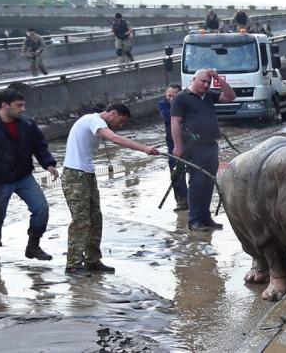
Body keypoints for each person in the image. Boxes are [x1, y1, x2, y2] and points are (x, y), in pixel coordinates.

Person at [62, 103, 159, 276]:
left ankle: (92, 260)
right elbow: (114, 138)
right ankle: (73, 265)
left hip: (87, 175)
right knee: (81, 220)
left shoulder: (95, 122)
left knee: (95, 218)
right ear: (112, 113)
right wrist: (144, 148)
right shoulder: (93, 120)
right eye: (120, 121)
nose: (119, 126)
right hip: (74, 176)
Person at [0, 89, 59, 267]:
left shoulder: (27, 124)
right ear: (4, 105)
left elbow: (39, 146)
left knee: (41, 209)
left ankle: (33, 246)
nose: (23, 109)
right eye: (19, 105)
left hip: (24, 176)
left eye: (23, 105)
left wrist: (48, 163)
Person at [171, 69, 236, 231]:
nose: (206, 85)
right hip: (193, 147)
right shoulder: (181, 98)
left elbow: (230, 96)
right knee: (197, 182)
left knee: (209, 182)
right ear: (193, 79)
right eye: (203, 81)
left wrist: (217, 78)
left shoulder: (209, 96)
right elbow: (175, 123)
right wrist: (178, 146)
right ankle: (194, 221)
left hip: (211, 145)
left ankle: (206, 219)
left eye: (208, 82)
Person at [158, 84, 188, 211]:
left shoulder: (187, 103)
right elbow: (169, 117)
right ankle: (181, 201)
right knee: (176, 172)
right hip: (173, 144)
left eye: (174, 96)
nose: (171, 99)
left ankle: (195, 199)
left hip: (190, 141)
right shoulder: (163, 104)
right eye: (169, 96)